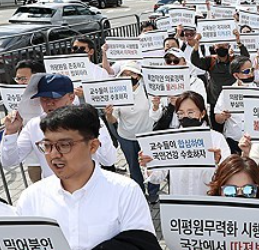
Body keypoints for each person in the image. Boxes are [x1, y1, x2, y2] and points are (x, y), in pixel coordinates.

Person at [16, 104, 158, 250]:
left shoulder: (125, 192)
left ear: (93, 146)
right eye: (47, 146)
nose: (54, 154)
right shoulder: (31, 197)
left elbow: (141, 244)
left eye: (64, 145)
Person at [1, 74, 117, 179]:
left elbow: (109, 159)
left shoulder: (88, 120)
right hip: (53, 194)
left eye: (55, 98)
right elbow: (10, 161)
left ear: (71, 97)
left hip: (89, 188)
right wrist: (11, 132)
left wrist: (92, 132)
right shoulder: (34, 125)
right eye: (44, 99)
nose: (49, 103)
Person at [141, 91, 230, 197]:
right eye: (181, 113)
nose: (186, 116)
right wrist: (150, 164)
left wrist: (217, 163)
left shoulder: (216, 139)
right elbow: (157, 177)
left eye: (191, 112)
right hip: (179, 203)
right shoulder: (171, 139)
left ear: (202, 113)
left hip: (208, 203)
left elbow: (227, 178)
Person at [104, 62, 156, 199]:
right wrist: (108, 114)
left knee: (151, 165)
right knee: (133, 166)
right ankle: (139, 193)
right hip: (126, 136)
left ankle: (153, 193)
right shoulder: (117, 94)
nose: (129, 77)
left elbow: (156, 113)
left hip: (147, 135)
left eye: (132, 73)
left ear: (138, 76)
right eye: (125, 74)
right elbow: (113, 120)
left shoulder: (149, 91)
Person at [190, 28, 248, 131]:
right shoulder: (210, 61)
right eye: (218, 45)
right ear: (214, 47)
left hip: (232, 101)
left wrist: (239, 41)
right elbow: (195, 61)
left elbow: (245, 59)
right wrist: (196, 43)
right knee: (217, 129)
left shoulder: (234, 60)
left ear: (228, 46)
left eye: (224, 45)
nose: (221, 47)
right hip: (215, 101)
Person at [12, 59, 45, 183]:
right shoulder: (16, 98)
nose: (20, 83)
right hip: (31, 152)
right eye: (17, 79)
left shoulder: (50, 98)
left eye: (24, 79)